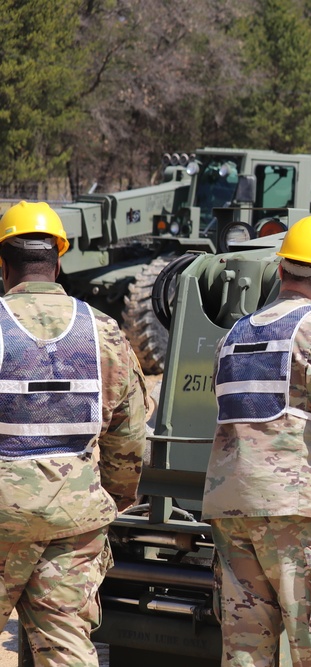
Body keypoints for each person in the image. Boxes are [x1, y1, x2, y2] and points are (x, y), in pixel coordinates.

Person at [203, 215, 311, 666]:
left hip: (234, 511)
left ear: (281, 272)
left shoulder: (234, 335)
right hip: (303, 516)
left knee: (245, 653)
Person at [0, 201, 146, 666]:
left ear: (2, 265)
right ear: (59, 260)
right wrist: (113, 497)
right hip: (75, 516)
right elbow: (129, 435)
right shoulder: (103, 332)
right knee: (66, 650)